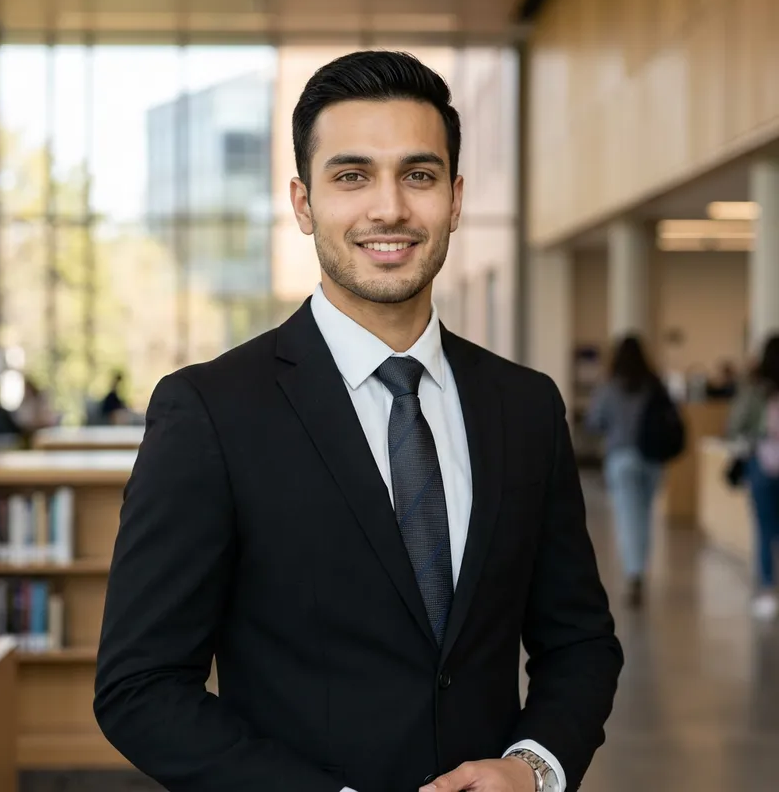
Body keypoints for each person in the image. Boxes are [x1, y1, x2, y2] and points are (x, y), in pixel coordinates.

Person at [94, 51, 623, 792]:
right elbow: (140, 686)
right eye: (351, 176)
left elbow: (581, 643)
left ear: (456, 197)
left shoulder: (525, 406)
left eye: (419, 174)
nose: (390, 209)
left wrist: (532, 769)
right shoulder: (210, 412)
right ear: (304, 203)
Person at [586, 334, 662, 608]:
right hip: (651, 460)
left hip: (621, 459)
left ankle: (634, 573)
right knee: (644, 515)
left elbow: (594, 421)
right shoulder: (653, 385)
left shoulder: (609, 388)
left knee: (628, 517)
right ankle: (639, 567)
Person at [728, 333, 779, 620]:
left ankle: (768, 590)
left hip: (761, 463)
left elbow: (735, 425)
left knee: (764, 528)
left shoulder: (755, 388)